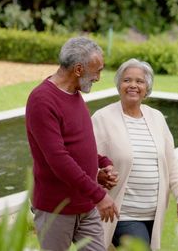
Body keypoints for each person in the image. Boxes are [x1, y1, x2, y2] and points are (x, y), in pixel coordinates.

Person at [25, 36, 119, 251]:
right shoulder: (42, 100)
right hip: (55, 208)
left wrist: (100, 165)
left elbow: (78, 145)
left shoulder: (74, 94)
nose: (98, 77)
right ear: (78, 69)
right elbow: (58, 158)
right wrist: (98, 194)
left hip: (85, 205)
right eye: (97, 71)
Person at [91, 58, 178, 250]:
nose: (133, 85)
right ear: (119, 84)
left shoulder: (157, 118)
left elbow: (170, 162)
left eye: (140, 81)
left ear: (147, 87)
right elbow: (85, 160)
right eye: (127, 80)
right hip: (122, 214)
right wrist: (98, 178)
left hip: (153, 214)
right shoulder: (102, 118)